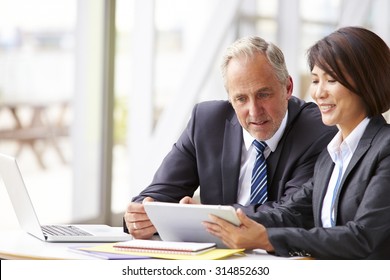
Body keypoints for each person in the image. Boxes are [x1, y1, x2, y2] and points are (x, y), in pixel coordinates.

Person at [204, 26, 390, 259]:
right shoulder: (332, 156)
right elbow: (289, 213)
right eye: (315, 80)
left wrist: (267, 239)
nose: (318, 93)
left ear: (367, 83)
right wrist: (212, 218)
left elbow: (365, 239)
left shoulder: (385, 148)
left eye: (331, 80)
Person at [124, 36, 337, 239]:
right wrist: (139, 217)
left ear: (287, 87)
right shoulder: (206, 122)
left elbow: (293, 214)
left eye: (263, 95)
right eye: (241, 99)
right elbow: (158, 195)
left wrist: (210, 217)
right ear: (230, 99)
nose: (254, 111)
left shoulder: (318, 129)